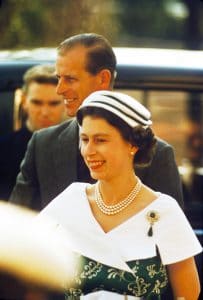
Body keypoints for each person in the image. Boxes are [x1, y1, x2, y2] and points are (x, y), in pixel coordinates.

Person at [38, 90, 202, 299]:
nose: (88, 150)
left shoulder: (164, 211)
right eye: (85, 139)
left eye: (100, 140)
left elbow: (188, 295)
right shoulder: (71, 200)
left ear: (133, 144)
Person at [9, 33, 183, 210]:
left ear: (103, 79)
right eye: (58, 78)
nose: (59, 90)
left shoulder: (158, 155)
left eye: (70, 79)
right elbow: (17, 221)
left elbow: (170, 231)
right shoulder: (43, 144)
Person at [0, 64, 66, 200]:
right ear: (24, 101)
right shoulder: (3, 150)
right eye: (37, 103)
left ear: (65, 103)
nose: (45, 112)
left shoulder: (82, 147)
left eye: (53, 103)